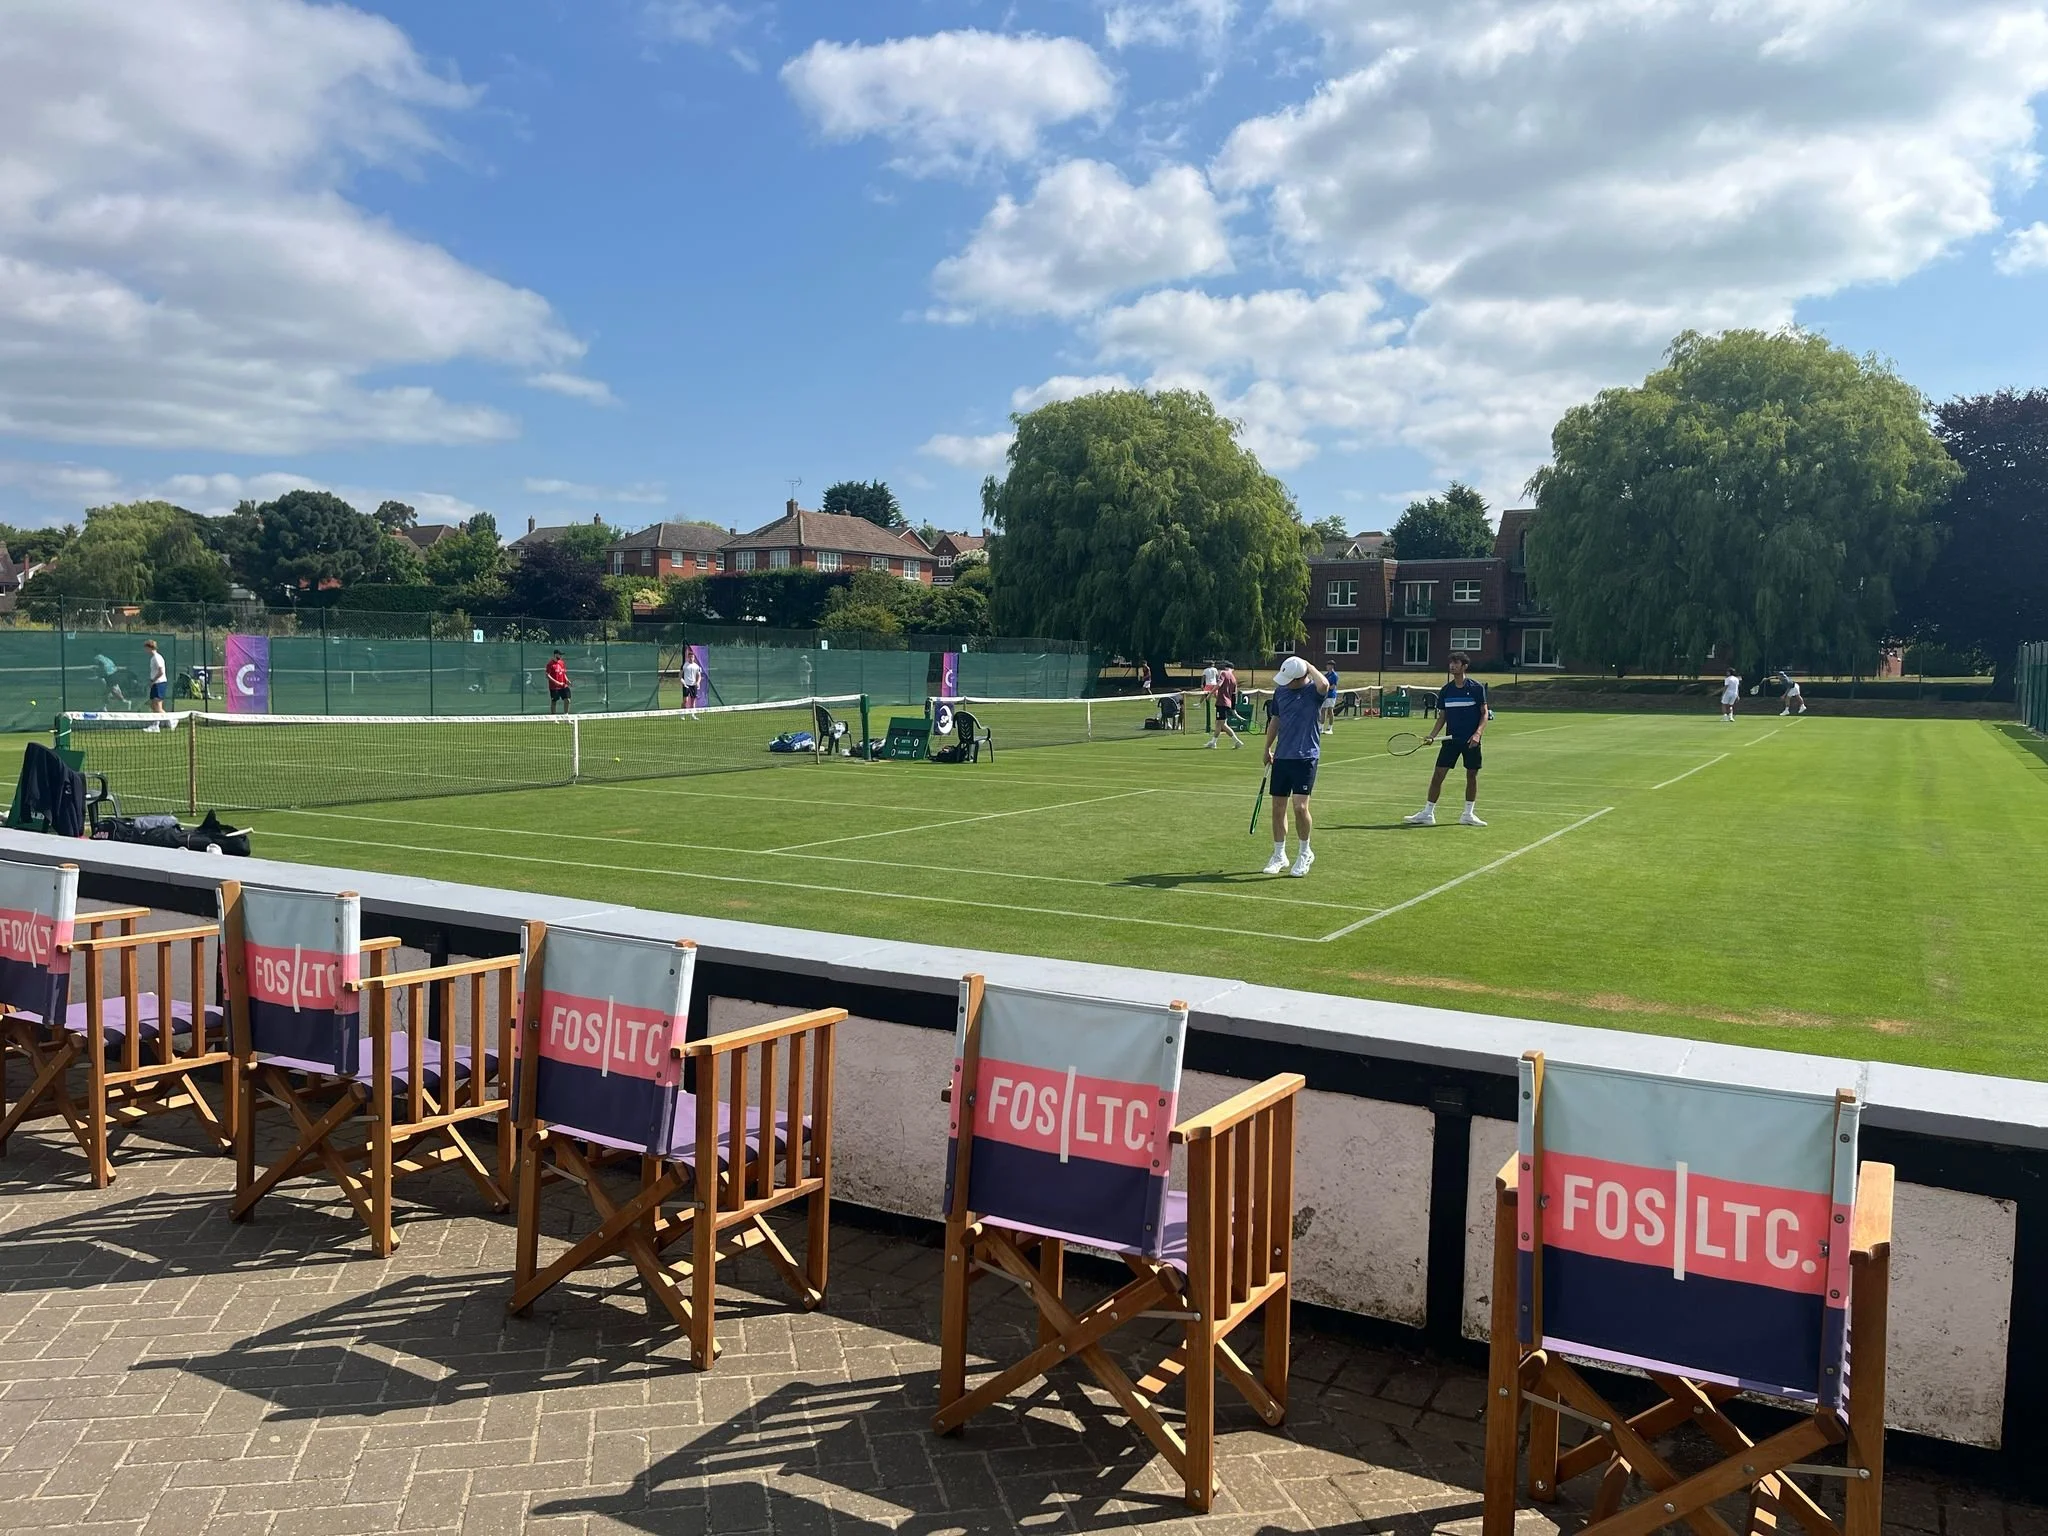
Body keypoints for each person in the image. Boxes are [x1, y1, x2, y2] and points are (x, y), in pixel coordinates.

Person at [1262, 656, 1330, 877]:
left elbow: (1325, 684)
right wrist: (1267, 748)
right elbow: (1276, 719)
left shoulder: (1314, 692)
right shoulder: (1280, 692)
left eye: (1290, 678)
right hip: (1282, 757)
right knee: (1277, 808)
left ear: (1301, 676)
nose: (1285, 682)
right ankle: (1279, 854)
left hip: (1306, 757)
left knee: (1300, 808)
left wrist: (1308, 664)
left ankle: (1305, 852)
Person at [1405, 651, 1488, 826]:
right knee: (1438, 775)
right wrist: (1432, 736)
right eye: (1451, 663)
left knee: (1472, 775)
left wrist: (1478, 733)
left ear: (1464, 666)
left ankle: (1468, 814)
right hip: (1450, 741)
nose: (1452, 666)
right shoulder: (1446, 691)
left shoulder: (1476, 688)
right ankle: (1427, 814)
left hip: (1471, 741)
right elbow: (1442, 717)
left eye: (1456, 663)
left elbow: (1484, 713)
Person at [1206, 664, 1244, 749]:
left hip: (1221, 703)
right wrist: (1233, 709)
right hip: (1227, 703)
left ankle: (1237, 741)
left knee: (1222, 724)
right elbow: (1234, 695)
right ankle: (1213, 742)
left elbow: (1219, 684)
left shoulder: (1224, 673)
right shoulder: (1234, 679)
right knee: (1218, 723)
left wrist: (1210, 694)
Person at [143, 641, 168, 716]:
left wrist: (152, 681)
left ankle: (171, 720)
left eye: (146, 648)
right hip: (155, 684)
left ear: (150, 648)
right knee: (153, 705)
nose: (145, 650)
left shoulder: (157, 657)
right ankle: (156, 725)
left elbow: (161, 672)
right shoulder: (153, 658)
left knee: (158, 706)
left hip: (160, 683)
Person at [545, 650, 572, 715]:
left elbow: (563, 673)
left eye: (561, 655)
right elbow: (547, 675)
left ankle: (566, 716)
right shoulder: (550, 664)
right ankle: (554, 717)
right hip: (554, 687)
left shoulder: (562, 663)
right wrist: (556, 682)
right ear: (555, 655)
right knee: (554, 701)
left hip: (563, 685)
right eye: (559, 654)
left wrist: (567, 680)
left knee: (567, 700)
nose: (561, 656)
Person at [680, 652, 704, 720]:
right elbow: (680, 675)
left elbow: (699, 676)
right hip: (686, 685)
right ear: (688, 657)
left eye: (692, 657)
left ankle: (693, 715)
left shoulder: (697, 666)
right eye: (690, 657)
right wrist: (682, 681)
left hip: (693, 685)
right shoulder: (684, 665)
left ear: (694, 658)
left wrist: (698, 682)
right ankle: (682, 714)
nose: (691, 658)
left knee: (693, 700)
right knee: (685, 700)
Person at [1320, 665, 1339, 736]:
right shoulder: (1326, 675)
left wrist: (1326, 689)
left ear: (1331, 666)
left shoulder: (1334, 675)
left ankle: (1330, 728)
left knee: (1330, 711)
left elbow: (1333, 686)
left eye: (1328, 665)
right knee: (1323, 710)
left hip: (1331, 696)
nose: (1327, 667)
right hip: (1325, 695)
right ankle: (1321, 728)